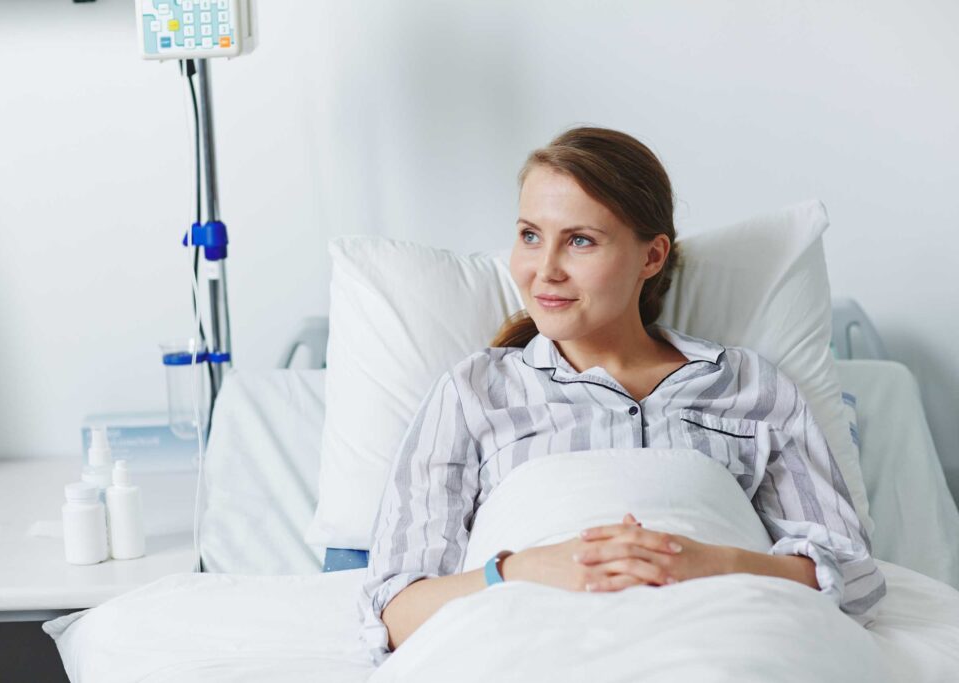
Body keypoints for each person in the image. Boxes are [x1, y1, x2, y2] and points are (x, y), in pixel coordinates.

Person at [357, 126, 885, 666]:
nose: (545, 269)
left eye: (580, 240)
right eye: (530, 235)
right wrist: (522, 569)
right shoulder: (474, 393)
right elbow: (393, 610)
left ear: (652, 257)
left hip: (721, 631)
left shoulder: (748, 385)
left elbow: (855, 578)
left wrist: (709, 563)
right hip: (523, 635)